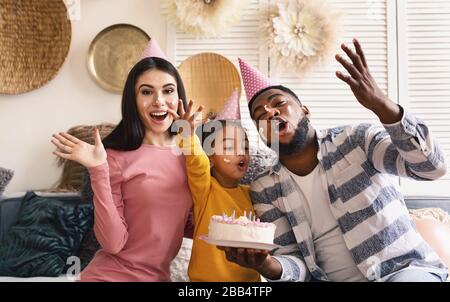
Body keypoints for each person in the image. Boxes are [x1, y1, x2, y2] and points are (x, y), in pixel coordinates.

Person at [221, 38, 449, 282]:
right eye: (259, 116)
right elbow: (294, 262)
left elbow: (431, 168)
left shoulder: (356, 139)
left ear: (305, 110)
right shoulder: (264, 187)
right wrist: (267, 265)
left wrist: (381, 104)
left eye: (279, 103)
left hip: (402, 271)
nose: (270, 112)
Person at [51, 40, 194, 281]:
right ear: (133, 101)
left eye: (168, 90)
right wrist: (98, 170)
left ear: (179, 96)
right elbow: (113, 244)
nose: (159, 100)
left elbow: (189, 225)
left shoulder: (190, 156)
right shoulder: (114, 158)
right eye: (147, 91)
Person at [174, 91, 261, 281]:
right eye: (230, 146)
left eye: (245, 147)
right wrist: (188, 136)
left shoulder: (253, 194)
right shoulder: (205, 189)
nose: (241, 152)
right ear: (210, 158)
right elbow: (197, 164)